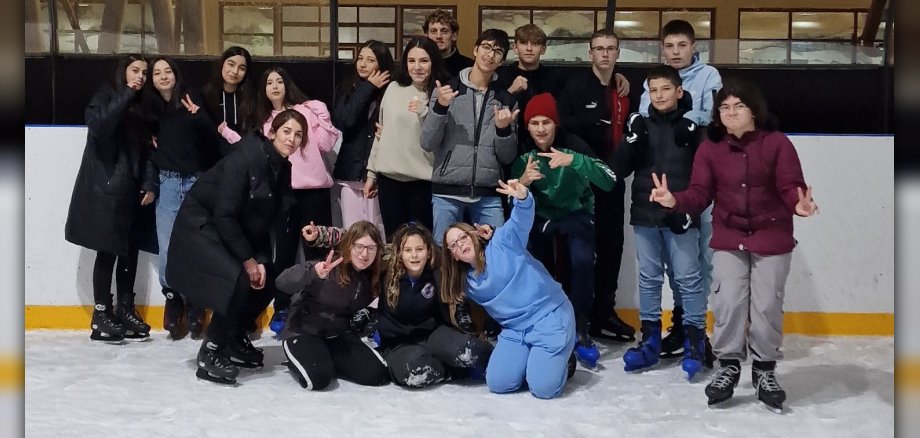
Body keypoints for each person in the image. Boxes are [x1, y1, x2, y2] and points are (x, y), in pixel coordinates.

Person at [648, 80, 818, 410]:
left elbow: (790, 185)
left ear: (754, 111)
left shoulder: (776, 144)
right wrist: (674, 200)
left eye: (737, 106)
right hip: (729, 237)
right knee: (728, 303)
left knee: (767, 305)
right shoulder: (711, 148)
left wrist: (799, 205)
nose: (730, 112)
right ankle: (728, 366)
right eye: (724, 108)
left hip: (772, 236)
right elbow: (700, 193)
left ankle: (765, 369)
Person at [165, 109, 307, 385]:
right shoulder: (245, 159)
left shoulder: (280, 166)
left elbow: (272, 213)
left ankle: (233, 335)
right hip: (202, 225)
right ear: (273, 132)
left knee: (270, 279)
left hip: (235, 228)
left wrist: (264, 258)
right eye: (287, 131)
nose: (292, 139)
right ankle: (212, 350)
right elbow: (225, 213)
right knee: (240, 279)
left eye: (298, 135)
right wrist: (248, 260)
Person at [610, 65, 708, 378]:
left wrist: (689, 209)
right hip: (645, 213)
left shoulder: (693, 128)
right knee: (649, 278)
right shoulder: (642, 125)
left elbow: (707, 177)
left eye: (666, 89)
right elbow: (619, 170)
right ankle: (650, 341)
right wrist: (630, 140)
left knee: (688, 278)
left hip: (681, 212)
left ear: (679, 91)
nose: (660, 95)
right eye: (654, 90)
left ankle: (695, 342)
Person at [440, 179, 576, 399]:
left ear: (473, 234)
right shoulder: (467, 282)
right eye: (453, 245)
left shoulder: (503, 241)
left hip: (549, 316)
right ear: (452, 255)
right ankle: (539, 359)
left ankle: (564, 360)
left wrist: (522, 197)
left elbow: (521, 220)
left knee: (543, 389)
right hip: (515, 330)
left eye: (462, 237)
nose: (460, 245)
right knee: (498, 383)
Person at [511, 92, 616, 369]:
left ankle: (581, 327)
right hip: (542, 216)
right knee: (537, 265)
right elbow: (510, 194)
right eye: (534, 123)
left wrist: (576, 162)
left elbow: (609, 181)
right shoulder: (524, 151)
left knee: (581, 262)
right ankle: (544, 322)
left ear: (556, 124)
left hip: (576, 213)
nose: (541, 129)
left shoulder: (573, 145)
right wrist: (523, 181)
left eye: (546, 121)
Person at [638, 20, 723, 358]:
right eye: (670, 46)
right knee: (673, 264)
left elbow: (714, 113)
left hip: (696, 179)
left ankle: (696, 330)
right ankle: (678, 326)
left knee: (697, 262)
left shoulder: (709, 76)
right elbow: (645, 112)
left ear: (693, 46)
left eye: (681, 45)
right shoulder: (656, 79)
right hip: (663, 180)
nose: (676, 52)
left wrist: (693, 116)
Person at [65, 54, 157, 341]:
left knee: (130, 251)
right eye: (135, 70)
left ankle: (125, 308)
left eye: (144, 72)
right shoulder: (106, 95)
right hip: (106, 190)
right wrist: (127, 93)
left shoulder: (142, 108)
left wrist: (149, 183)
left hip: (133, 191)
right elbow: (101, 128)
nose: (140, 76)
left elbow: (147, 151)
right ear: (123, 71)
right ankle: (101, 313)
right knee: (107, 251)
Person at [558, 29, 634, 343]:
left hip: (613, 183)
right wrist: (591, 166)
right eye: (598, 49)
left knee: (611, 248)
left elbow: (632, 135)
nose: (604, 54)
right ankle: (576, 317)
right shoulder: (575, 87)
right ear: (590, 53)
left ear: (617, 53)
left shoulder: (624, 91)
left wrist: (614, 171)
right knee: (578, 253)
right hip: (582, 183)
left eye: (610, 48)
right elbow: (564, 129)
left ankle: (604, 312)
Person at [254, 66, 341, 335]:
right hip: (284, 193)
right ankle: (282, 307)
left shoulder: (305, 110)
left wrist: (322, 116)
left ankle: (322, 305)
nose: (275, 86)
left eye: (280, 80)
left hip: (314, 191)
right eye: (269, 82)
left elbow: (326, 143)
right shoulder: (265, 121)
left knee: (318, 251)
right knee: (286, 252)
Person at [143, 56, 220, 340]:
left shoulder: (190, 100)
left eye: (168, 71)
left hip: (196, 181)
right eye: (157, 73)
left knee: (199, 244)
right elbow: (145, 147)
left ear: (176, 75)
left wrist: (200, 116)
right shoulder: (150, 111)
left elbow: (212, 139)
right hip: (168, 183)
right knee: (167, 247)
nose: (163, 76)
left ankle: (196, 300)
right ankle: (173, 297)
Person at [421, 28, 519, 245]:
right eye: (486, 47)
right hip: (447, 191)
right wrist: (440, 108)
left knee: (498, 250)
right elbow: (427, 142)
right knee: (444, 256)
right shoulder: (447, 90)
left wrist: (503, 129)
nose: (490, 54)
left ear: (502, 60)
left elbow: (507, 157)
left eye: (498, 51)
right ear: (475, 50)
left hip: (487, 193)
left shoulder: (505, 100)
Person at [276, 221, 391, 391]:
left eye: (371, 248)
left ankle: (327, 358)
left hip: (337, 335)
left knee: (377, 375)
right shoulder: (329, 266)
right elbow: (282, 282)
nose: (364, 253)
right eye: (359, 246)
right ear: (349, 246)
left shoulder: (371, 277)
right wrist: (312, 272)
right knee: (317, 379)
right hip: (304, 331)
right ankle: (306, 358)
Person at [365, 37, 445, 237]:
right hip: (389, 178)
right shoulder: (393, 88)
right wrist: (371, 173)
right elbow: (381, 133)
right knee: (394, 240)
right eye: (411, 61)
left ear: (433, 62)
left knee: (421, 241)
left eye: (424, 61)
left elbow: (441, 137)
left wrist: (426, 112)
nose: (417, 67)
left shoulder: (440, 93)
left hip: (423, 180)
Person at [332, 40, 394, 237]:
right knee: (353, 233)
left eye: (370, 60)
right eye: (360, 58)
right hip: (351, 173)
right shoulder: (348, 87)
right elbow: (345, 121)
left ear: (382, 64)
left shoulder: (392, 91)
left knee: (379, 231)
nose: (363, 64)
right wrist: (366, 88)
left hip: (380, 173)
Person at [202, 46, 254, 155]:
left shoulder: (250, 99)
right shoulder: (205, 95)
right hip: (211, 160)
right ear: (222, 64)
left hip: (241, 159)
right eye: (231, 64)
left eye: (242, 68)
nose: (235, 71)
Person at [423, 8, 473, 78]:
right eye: (434, 31)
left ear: (454, 35)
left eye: (444, 31)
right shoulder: (418, 66)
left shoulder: (469, 67)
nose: (438, 36)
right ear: (426, 36)